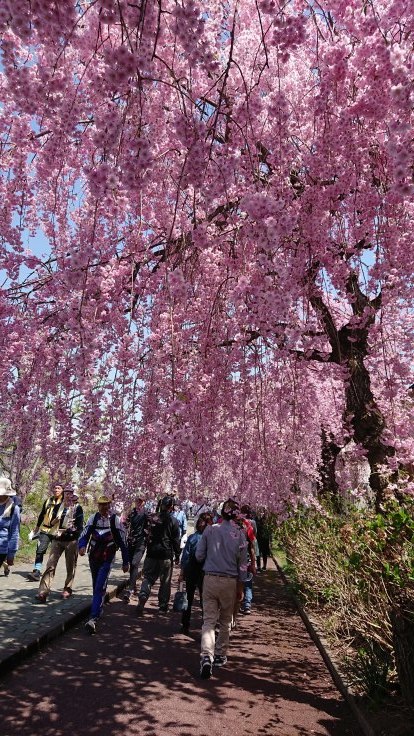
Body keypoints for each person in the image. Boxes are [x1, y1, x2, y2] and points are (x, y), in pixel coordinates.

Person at [195, 498, 248, 679]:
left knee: (209, 620)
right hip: (229, 581)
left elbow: (199, 555)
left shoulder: (210, 530)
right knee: (225, 620)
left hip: (210, 579)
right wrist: (241, 586)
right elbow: (243, 564)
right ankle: (219, 654)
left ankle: (206, 656)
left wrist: (211, 557)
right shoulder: (240, 534)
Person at [78, 495, 129, 634]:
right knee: (96, 585)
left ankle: (93, 618)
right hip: (93, 557)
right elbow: (84, 535)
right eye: (101, 504)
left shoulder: (115, 520)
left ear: (109, 505)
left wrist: (126, 562)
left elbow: (123, 542)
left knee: (100, 586)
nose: (103, 507)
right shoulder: (92, 518)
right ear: (98, 505)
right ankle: (98, 609)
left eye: (106, 504)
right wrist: (81, 546)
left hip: (107, 558)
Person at [34, 488, 84, 603]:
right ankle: (43, 592)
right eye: (66, 493)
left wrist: (68, 532)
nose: (68, 495)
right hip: (57, 540)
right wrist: (55, 522)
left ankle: (68, 588)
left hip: (71, 541)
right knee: (50, 565)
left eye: (70, 493)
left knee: (70, 566)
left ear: (73, 495)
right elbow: (51, 523)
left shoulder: (77, 508)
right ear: (63, 494)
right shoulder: (58, 506)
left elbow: (79, 528)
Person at [136, 495, 181, 616]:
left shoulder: (152, 518)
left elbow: (145, 534)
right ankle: (162, 606)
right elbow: (176, 540)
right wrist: (177, 555)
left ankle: (143, 594)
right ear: (171, 507)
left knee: (148, 577)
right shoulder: (174, 521)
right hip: (165, 554)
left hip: (151, 553)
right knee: (165, 581)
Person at [178, 512, 213, 634]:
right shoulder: (211, 539)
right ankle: (207, 626)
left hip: (191, 571)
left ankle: (185, 624)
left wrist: (182, 573)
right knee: (205, 600)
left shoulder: (193, 537)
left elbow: (185, 557)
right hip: (205, 572)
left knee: (188, 598)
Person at [28, 483, 65, 581]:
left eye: (58, 488)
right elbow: (42, 514)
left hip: (56, 531)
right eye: (55, 488)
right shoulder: (48, 500)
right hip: (45, 529)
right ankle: (36, 571)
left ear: (62, 490)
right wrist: (36, 527)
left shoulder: (64, 502)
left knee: (54, 553)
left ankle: (50, 572)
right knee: (40, 550)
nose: (56, 490)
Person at [122, 493, 148, 603]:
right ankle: (133, 584)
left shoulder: (146, 513)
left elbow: (151, 525)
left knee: (134, 563)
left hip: (141, 541)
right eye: (137, 500)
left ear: (144, 502)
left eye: (141, 501)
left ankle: (131, 589)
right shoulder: (131, 512)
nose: (139, 503)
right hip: (131, 540)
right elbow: (126, 524)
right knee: (132, 564)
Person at [238, 504, 258, 615]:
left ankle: (241, 603)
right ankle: (247, 605)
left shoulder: (238, 526)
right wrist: (254, 563)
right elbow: (252, 545)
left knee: (240, 581)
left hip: (238, 559)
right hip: (246, 558)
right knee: (248, 582)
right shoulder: (249, 526)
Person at [0, 477, 20, 576]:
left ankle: (6, 565)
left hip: (2, 546)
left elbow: (14, 532)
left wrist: (11, 554)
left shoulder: (13, 509)